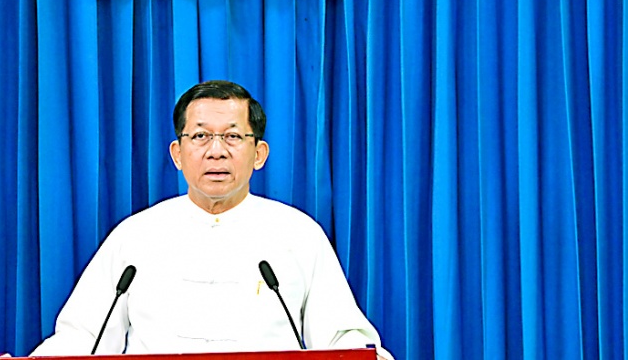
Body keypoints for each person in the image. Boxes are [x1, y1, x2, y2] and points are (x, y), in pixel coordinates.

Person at [30, 80, 392, 359]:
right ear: (177, 153)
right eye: (200, 136)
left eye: (233, 136)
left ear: (259, 154)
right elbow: (82, 339)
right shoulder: (136, 236)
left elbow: (344, 339)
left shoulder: (298, 235)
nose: (216, 150)